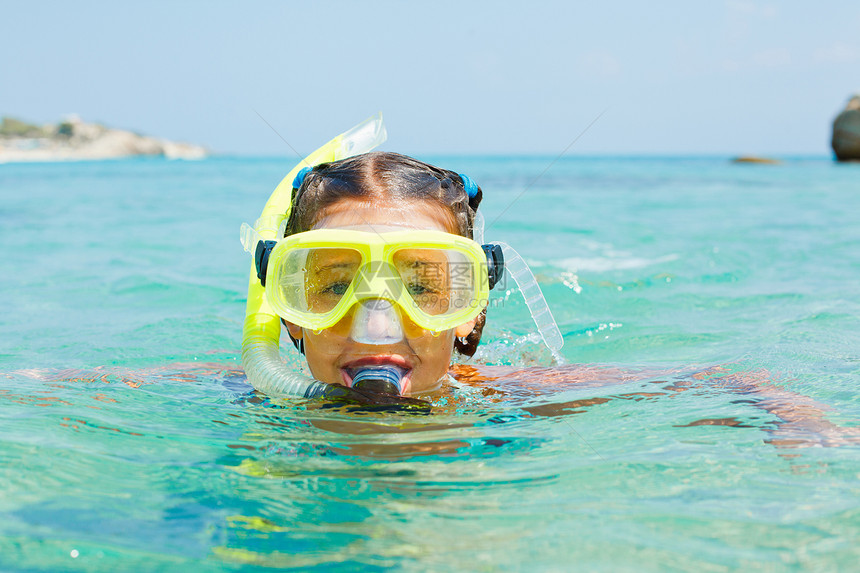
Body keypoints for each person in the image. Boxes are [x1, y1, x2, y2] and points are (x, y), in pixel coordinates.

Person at [256, 151, 504, 399]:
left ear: (468, 306)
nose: (376, 330)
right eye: (338, 287)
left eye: (418, 288)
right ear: (293, 305)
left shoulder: (515, 402)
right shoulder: (247, 401)